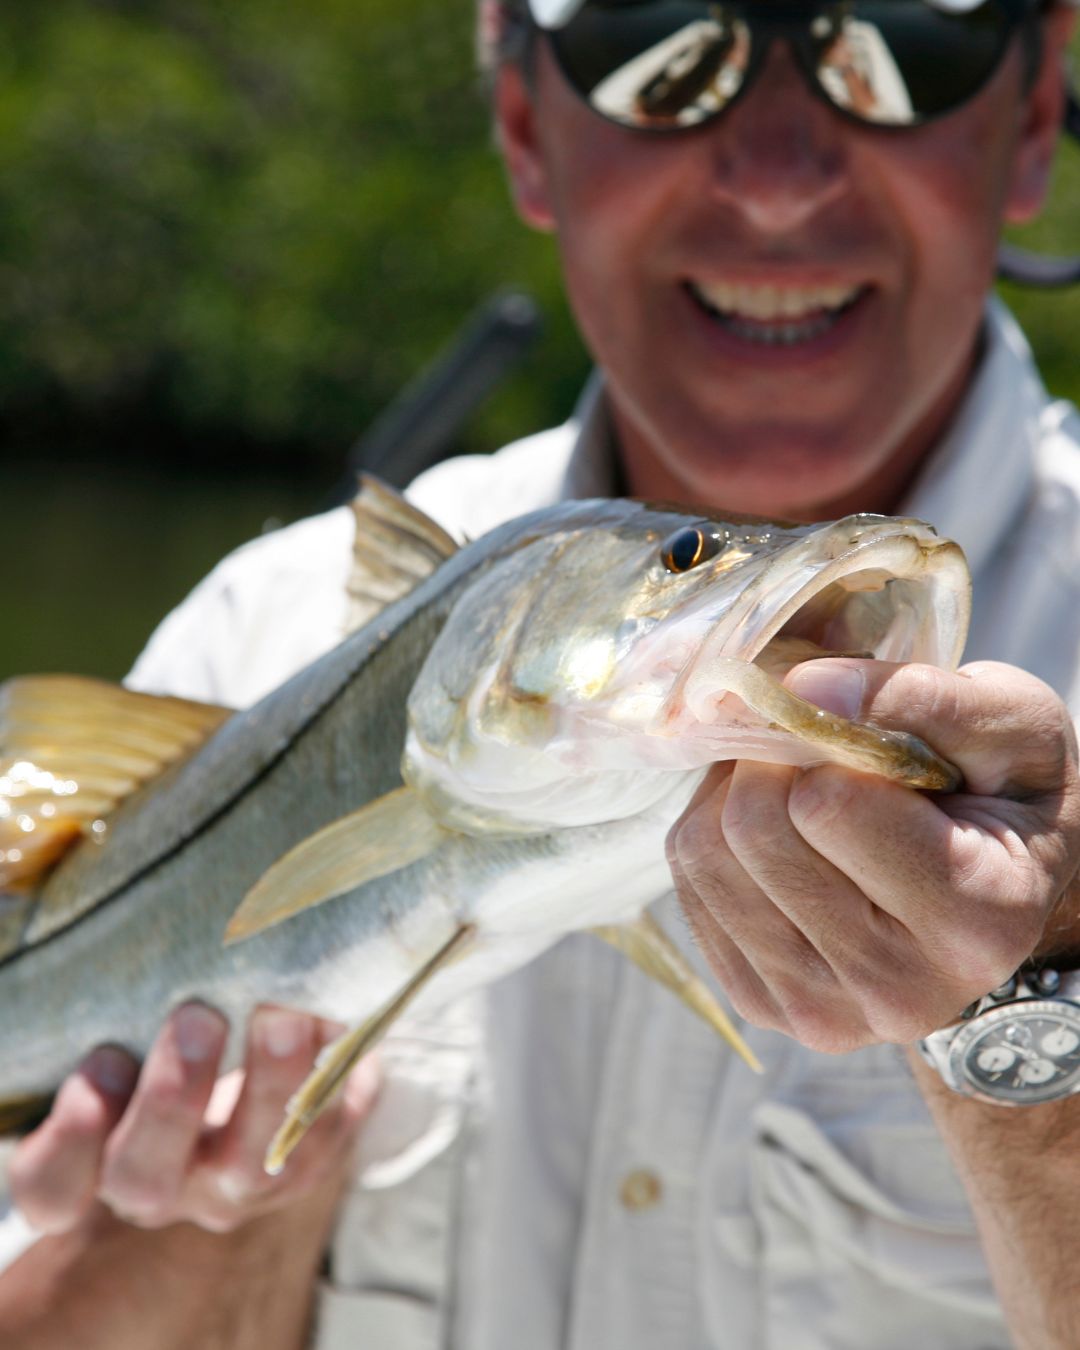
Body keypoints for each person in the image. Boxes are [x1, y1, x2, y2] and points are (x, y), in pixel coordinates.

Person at [1, 0, 1079, 1345]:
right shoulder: (259, 628)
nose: (777, 175)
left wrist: (1043, 1033)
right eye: (660, 48)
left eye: (897, 41)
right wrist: (213, 1224)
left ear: (1038, 113)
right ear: (522, 122)